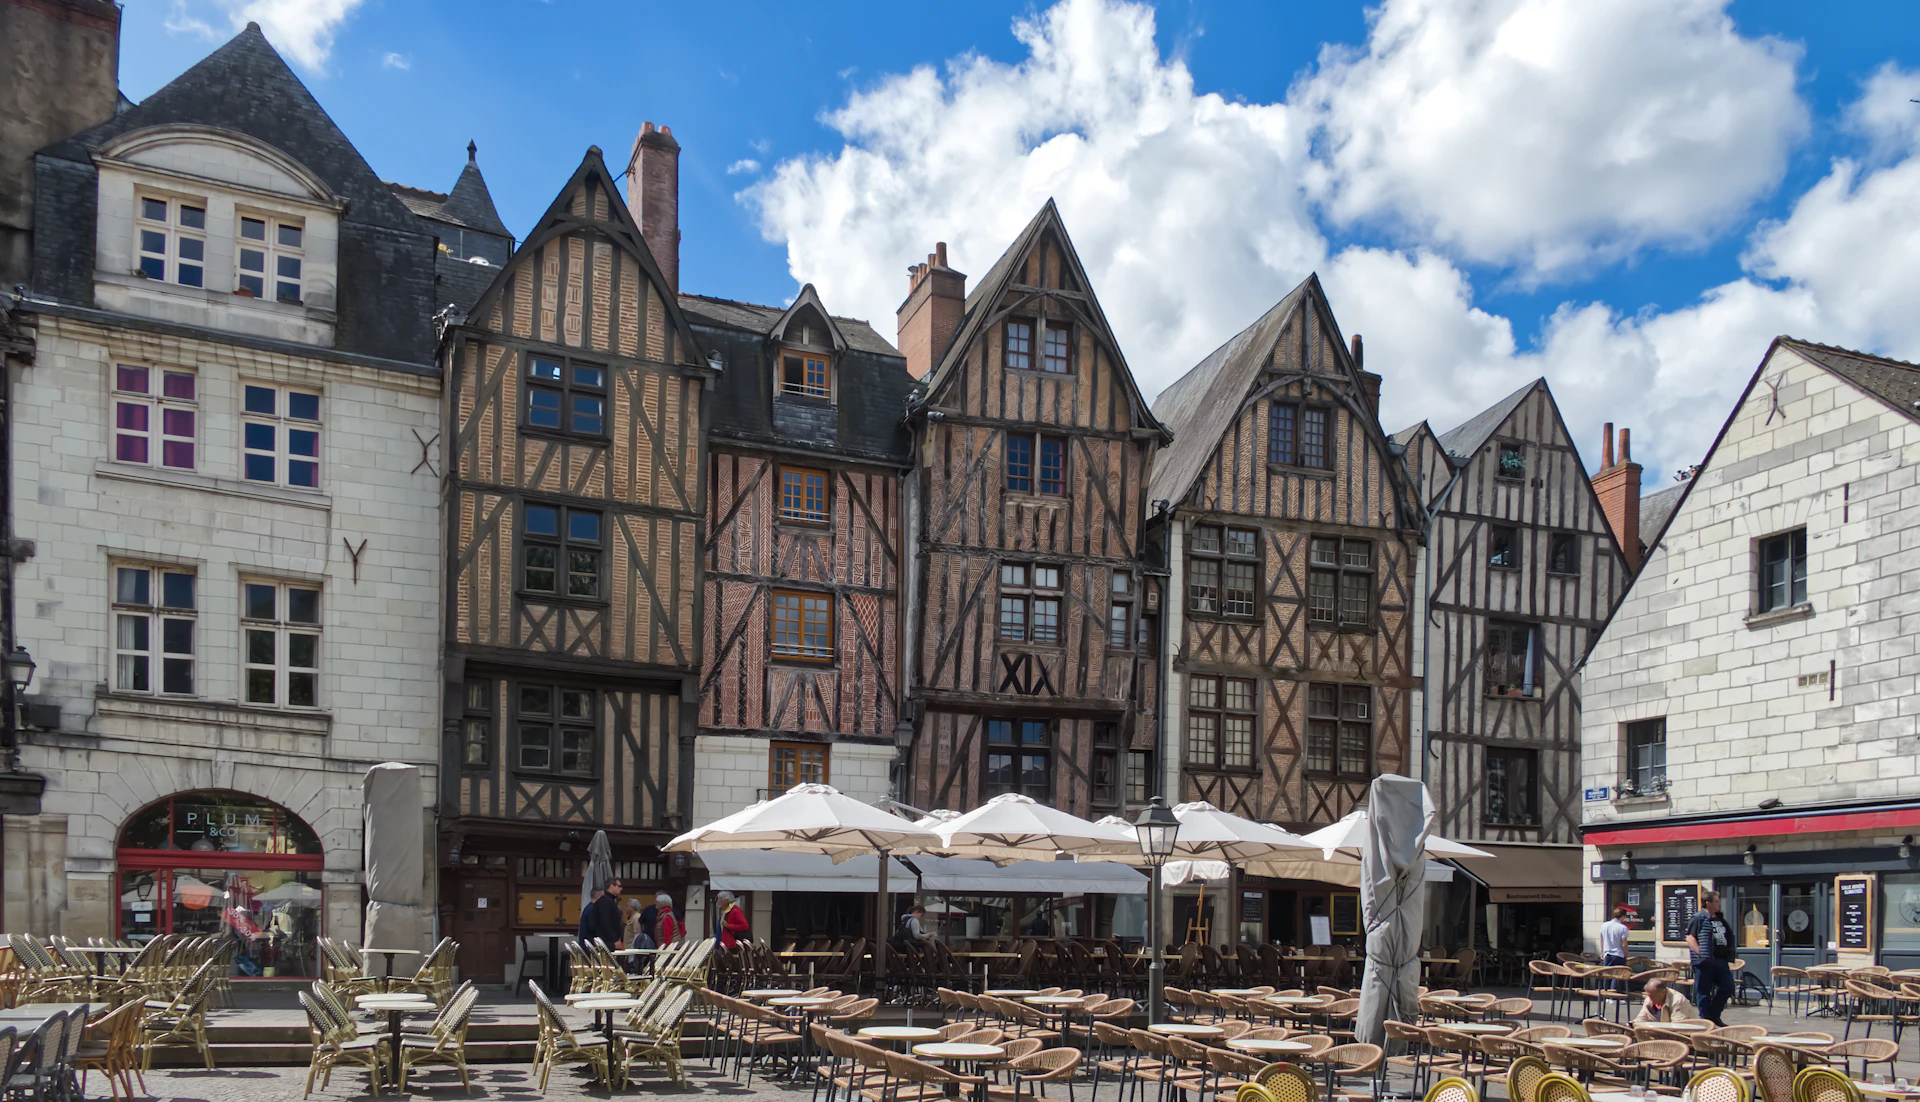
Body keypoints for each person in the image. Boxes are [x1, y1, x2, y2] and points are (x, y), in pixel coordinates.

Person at [1686, 890, 1736, 1026]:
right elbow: (1690, 937)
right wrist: (1700, 952)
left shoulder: (1720, 919)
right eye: (1717, 901)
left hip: (1720, 959)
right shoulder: (1698, 918)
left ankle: (1714, 1015)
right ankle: (1705, 1020)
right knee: (1703, 991)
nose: (1719, 904)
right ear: (1708, 903)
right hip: (1704, 961)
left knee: (1727, 986)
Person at [590, 876, 625, 950]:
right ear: (612, 886)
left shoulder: (608, 900)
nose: (621, 889)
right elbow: (605, 923)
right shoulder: (605, 901)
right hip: (608, 943)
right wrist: (615, 940)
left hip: (609, 942)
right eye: (619, 886)